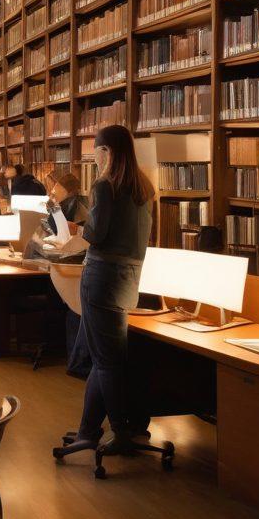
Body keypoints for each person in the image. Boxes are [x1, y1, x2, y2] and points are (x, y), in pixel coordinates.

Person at [71, 125, 154, 455]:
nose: (97, 158)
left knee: (106, 362)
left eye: (97, 152)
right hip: (130, 277)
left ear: (106, 151)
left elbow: (97, 234)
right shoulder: (144, 186)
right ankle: (87, 431)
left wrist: (81, 220)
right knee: (105, 358)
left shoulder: (105, 185)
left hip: (102, 275)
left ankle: (120, 430)